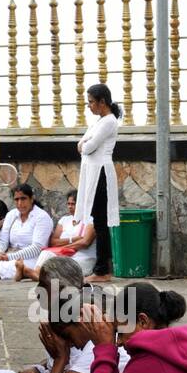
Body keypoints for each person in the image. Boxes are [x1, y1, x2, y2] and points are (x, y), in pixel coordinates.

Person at [73, 84, 121, 284]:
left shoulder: (109, 121)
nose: (89, 106)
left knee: (101, 223)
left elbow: (88, 146)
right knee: (98, 220)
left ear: (103, 102)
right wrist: (84, 144)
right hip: (93, 173)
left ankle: (102, 270)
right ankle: (101, 269)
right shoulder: (99, 122)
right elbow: (81, 144)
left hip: (101, 174)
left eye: (92, 102)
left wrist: (84, 144)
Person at [15, 191, 96, 280]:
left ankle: (29, 274)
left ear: (81, 204)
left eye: (73, 204)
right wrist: (72, 241)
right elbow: (53, 242)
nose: (70, 207)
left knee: (63, 266)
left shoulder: (90, 220)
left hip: (83, 257)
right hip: (65, 255)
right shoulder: (64, 220)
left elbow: (85, 242)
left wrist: (64, 247)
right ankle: (36, 273)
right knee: (46, 253)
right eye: (68, 204)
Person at [0, 183, 53, 280]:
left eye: (23, 199)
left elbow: (37, 248)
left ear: (31, 199)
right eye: (16, 199)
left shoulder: (42, 217)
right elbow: (3, 241)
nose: (20, 203)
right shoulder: (11, 215)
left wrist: (9, 257)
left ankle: (24, 271)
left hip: (31, 259)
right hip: (9, 256)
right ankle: (20, 272)